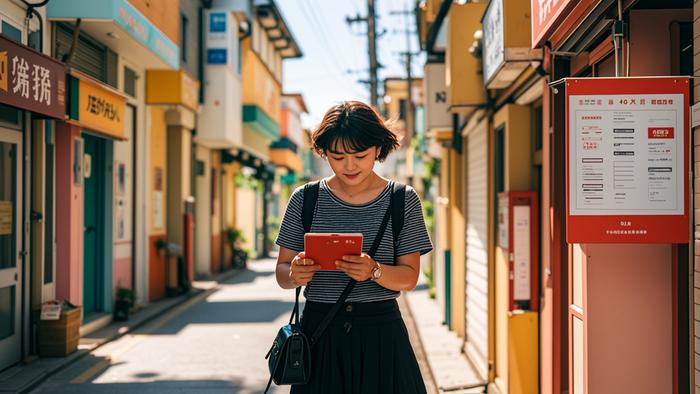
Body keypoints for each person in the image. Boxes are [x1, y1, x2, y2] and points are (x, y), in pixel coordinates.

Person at [274, 101, 433, 394]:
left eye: (360, 155)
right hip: (320, 332)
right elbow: (282, 273)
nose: (349, 166)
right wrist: (295, 273)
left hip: (381, 332)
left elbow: (409, 278)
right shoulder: (305, 199)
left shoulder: (402, 199)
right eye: (337, 156)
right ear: (324, 153)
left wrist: (374, 270)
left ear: (378, 149)